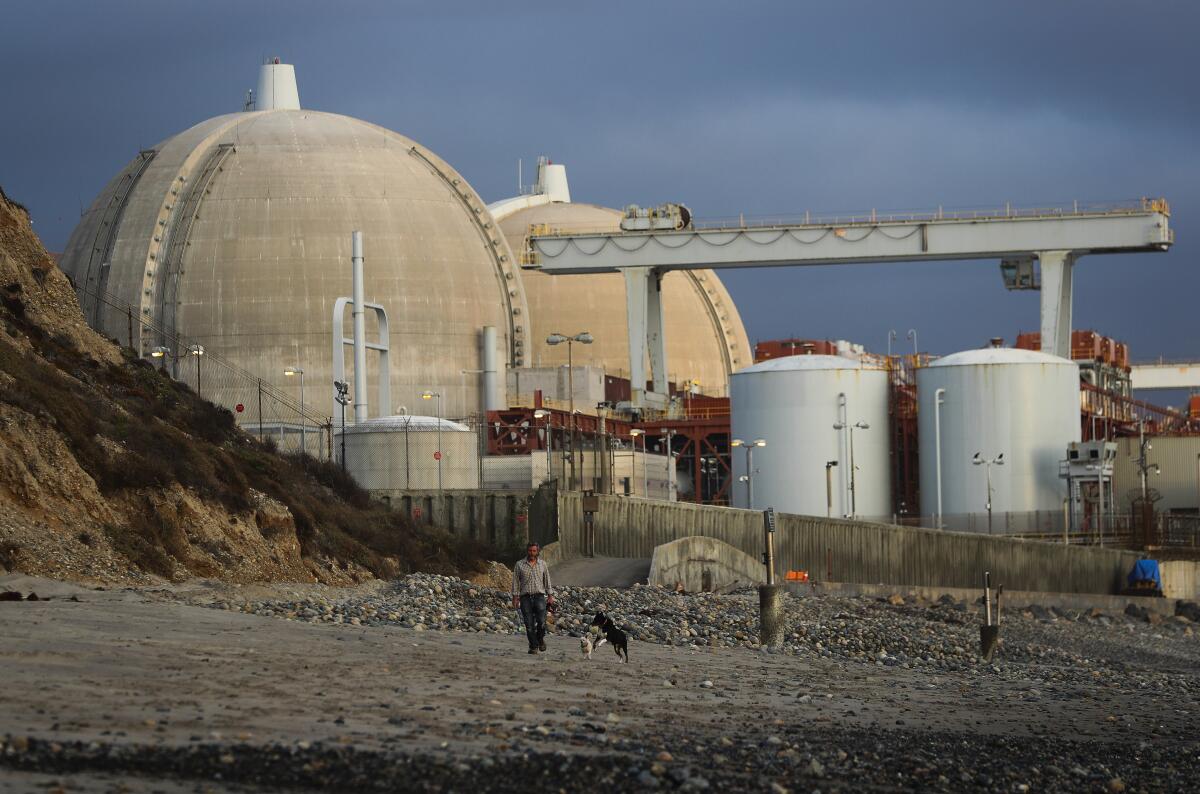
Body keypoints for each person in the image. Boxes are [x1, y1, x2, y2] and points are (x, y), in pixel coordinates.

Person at [511, 542, 555, 654]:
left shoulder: (543, 564)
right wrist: (515, 598)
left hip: (539, 597)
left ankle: (540, 640)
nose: (532, 553)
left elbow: (547, 580)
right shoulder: (519, 564)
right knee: (529, 625)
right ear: (527, 551)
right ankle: (533, 646)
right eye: (530, 550)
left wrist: (550, 595)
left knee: (542, 622)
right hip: (525, 598)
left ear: (537, 551)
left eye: (534, 551)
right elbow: (515, 582)